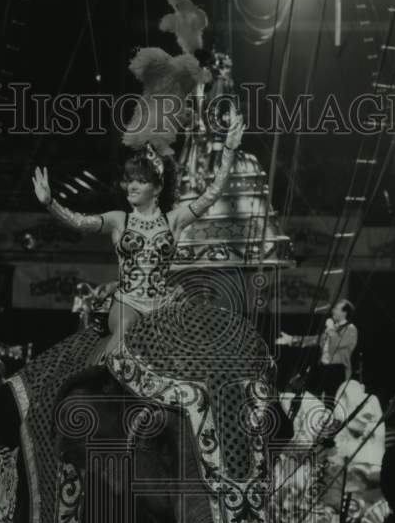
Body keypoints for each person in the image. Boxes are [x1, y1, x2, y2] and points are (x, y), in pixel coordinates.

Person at [32, 110, 246, 360]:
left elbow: (212, 195)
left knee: (197, 350)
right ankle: (93, 378)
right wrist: (50, 203)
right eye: (129, 180)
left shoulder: (174, 220)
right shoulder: (118, 219)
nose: (131, 186)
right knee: (124, 331)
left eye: (140, 181)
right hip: (127, 304)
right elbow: (78, 222)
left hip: (163, 307)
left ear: (156, 188)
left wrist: (229, 151)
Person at [276, 300, 358, 410]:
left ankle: (331, 424)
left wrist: (330, 328)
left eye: (336, 308)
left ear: (344, 313)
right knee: (313, 396)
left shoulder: (351, 329)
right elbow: (314, 340)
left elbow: (336, 343)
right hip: (323, 367)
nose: (332, 310)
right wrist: (291, 339)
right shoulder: (332, 329)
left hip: (337, 370)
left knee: (331, 401)